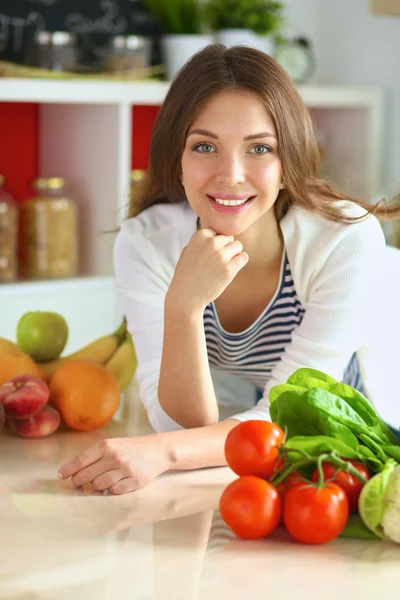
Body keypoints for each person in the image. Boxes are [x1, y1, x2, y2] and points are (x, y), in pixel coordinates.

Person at [57, 44, 400, 494]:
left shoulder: (346, 242)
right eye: (204, 146)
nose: (231, 174)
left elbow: (283, 412)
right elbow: (179, 422)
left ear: (287, 162)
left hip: (368, 444)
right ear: (176, 159)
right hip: (261, 452)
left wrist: (164, 452)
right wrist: (184, 304)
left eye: (260, 148)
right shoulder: (146, 243)